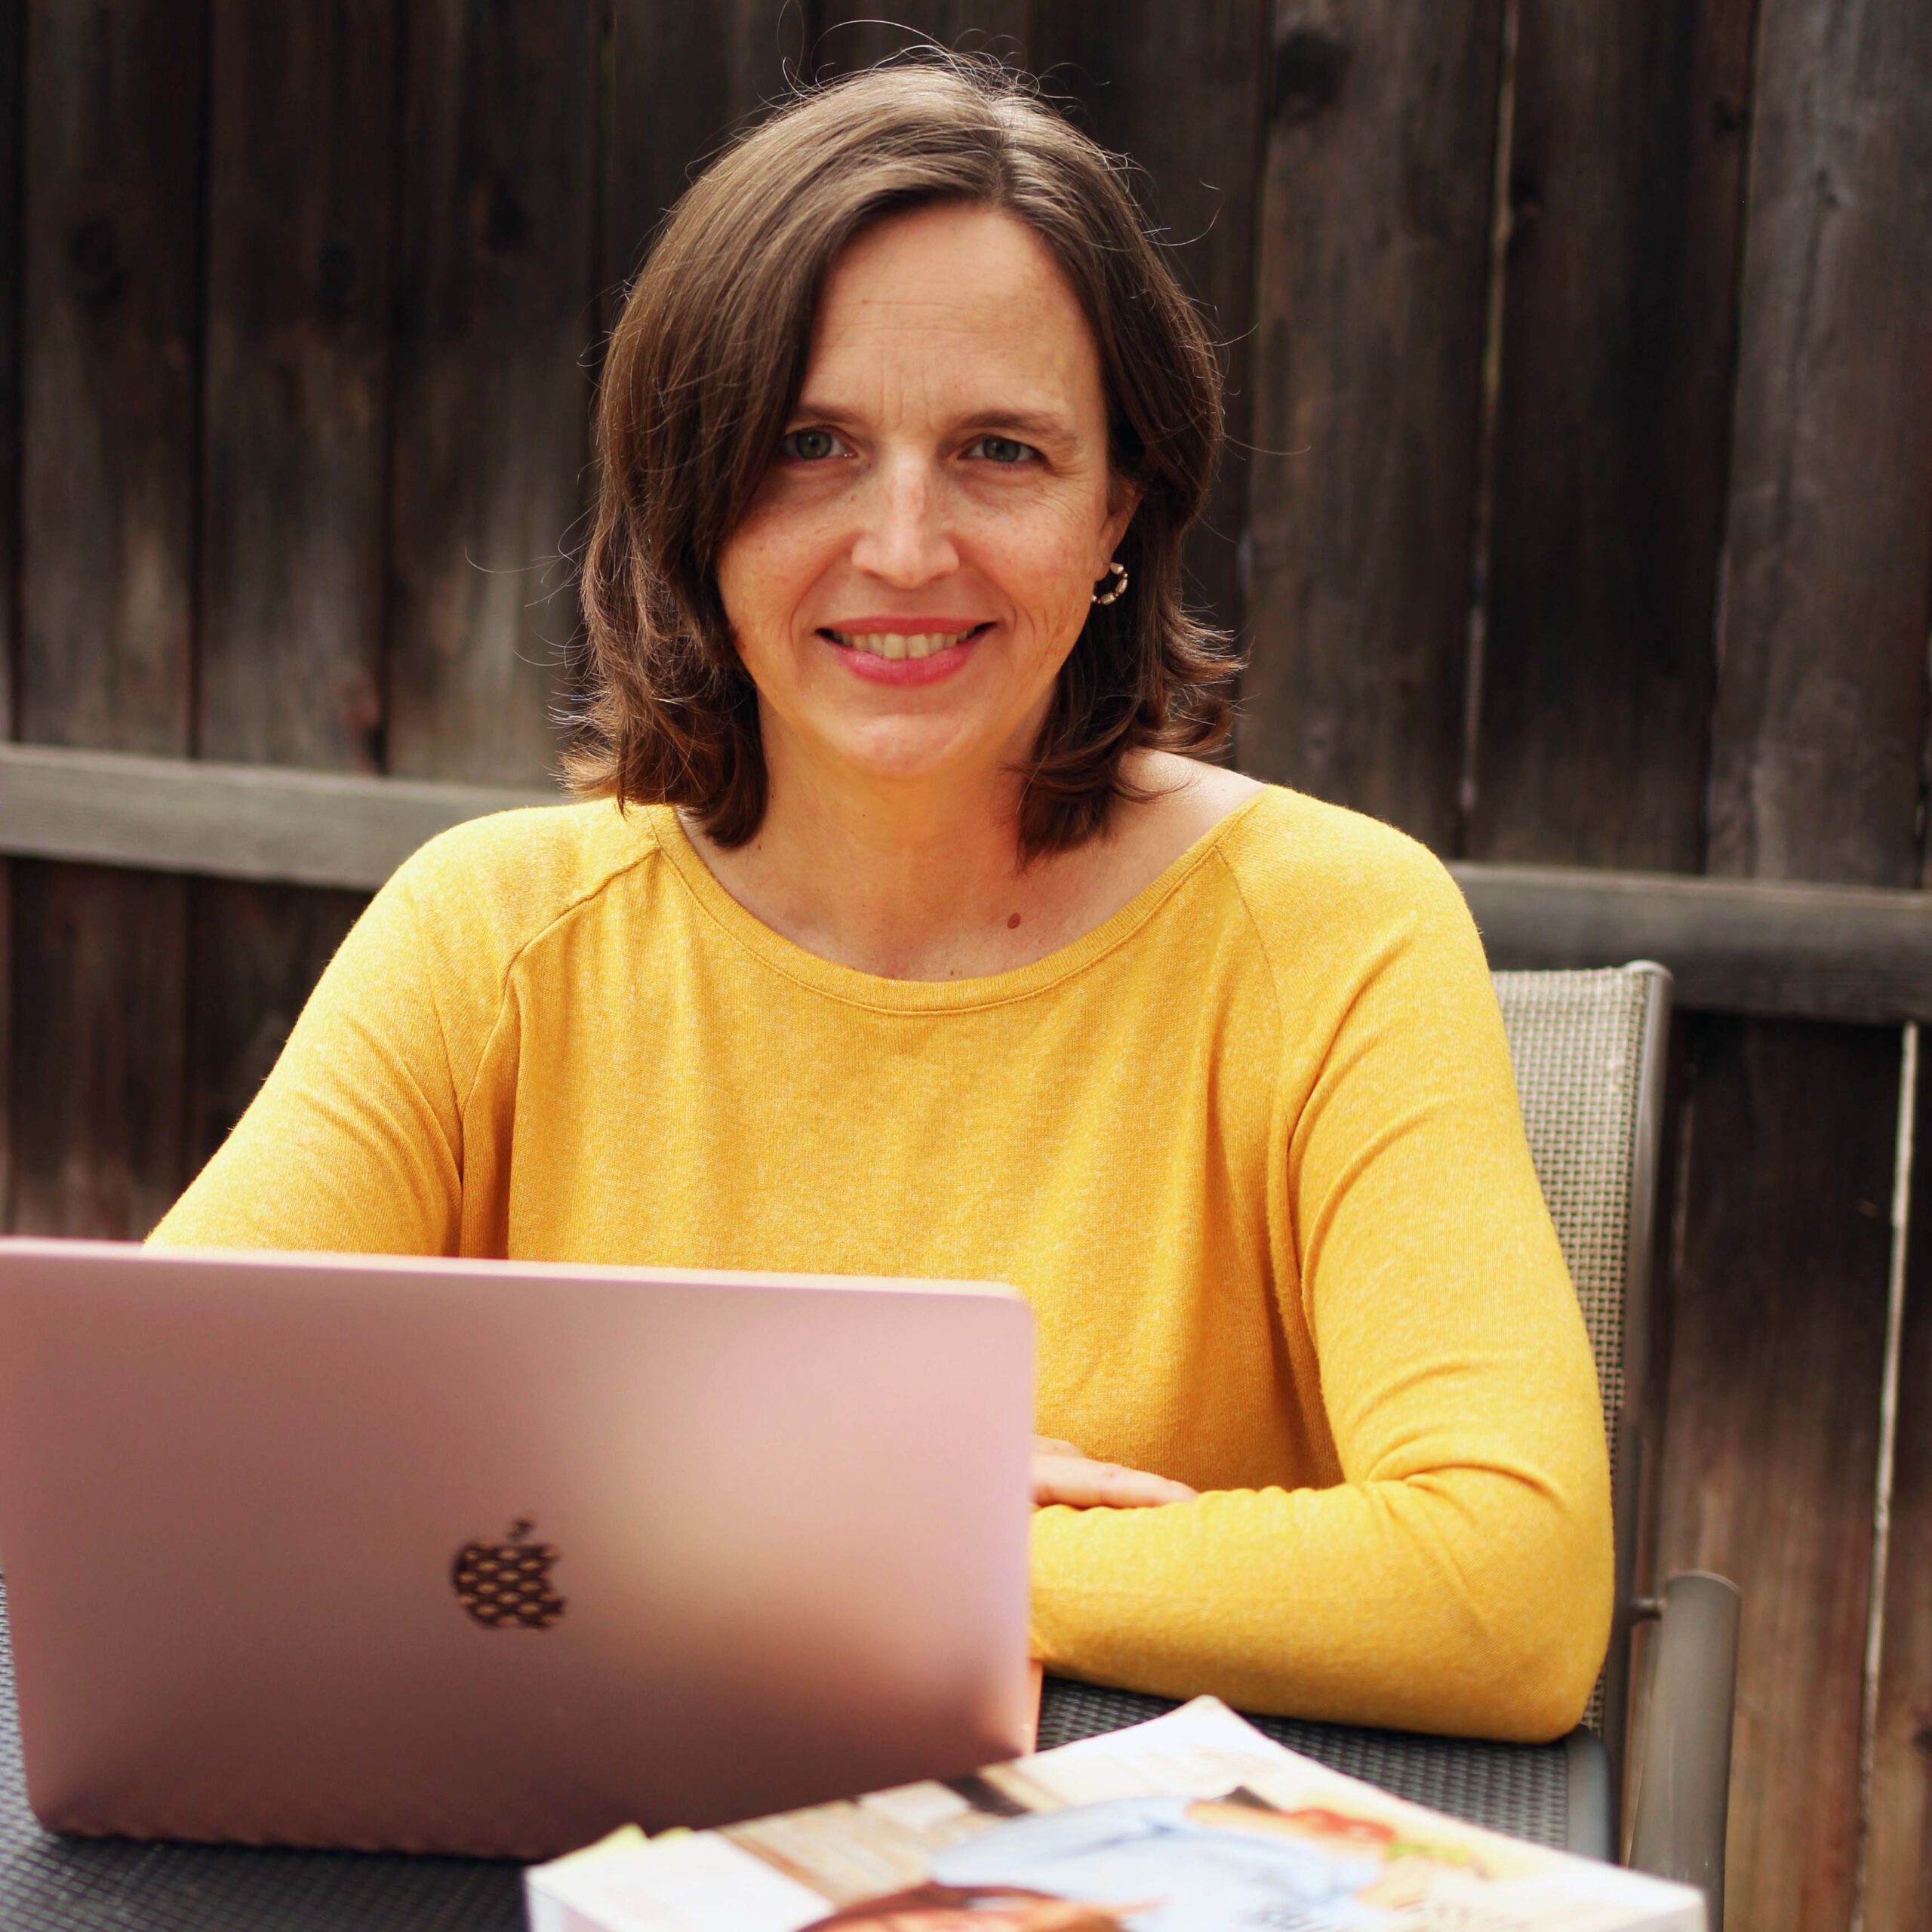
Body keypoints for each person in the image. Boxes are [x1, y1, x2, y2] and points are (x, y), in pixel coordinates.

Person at [150, 56, 1612, 1741]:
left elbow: (1505, 1593)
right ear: (694, 498)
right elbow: (158, 1456)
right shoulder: (490, 933)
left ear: (1116, 507)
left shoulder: (1335, 928)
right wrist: (852, 1522)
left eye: (998, 449)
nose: (903, 544)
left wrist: (866, 1551)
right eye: (808, 445)